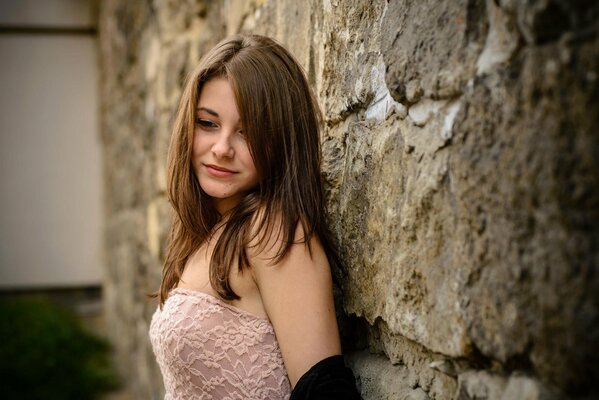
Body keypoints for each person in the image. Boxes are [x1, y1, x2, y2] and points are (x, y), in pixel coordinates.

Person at [149, 34, 360, 399]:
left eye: (246, 132)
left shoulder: (273, 231)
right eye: (208, 123)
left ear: (280, 141)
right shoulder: (206, 229)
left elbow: (324, 391)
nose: (222, 148)